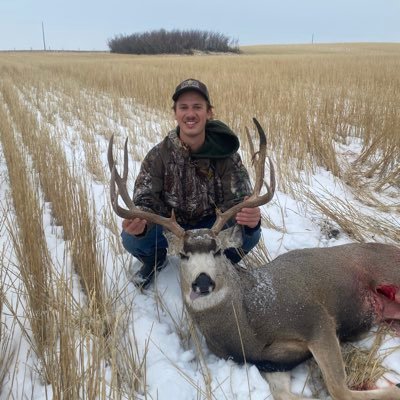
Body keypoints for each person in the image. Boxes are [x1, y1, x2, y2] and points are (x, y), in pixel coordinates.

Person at [121, 78, 262, 288]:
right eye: (183, 107)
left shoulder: (226, 156)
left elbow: (240, 198)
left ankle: (221, 264)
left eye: (197, 107)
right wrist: (140, 224)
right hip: (173, 231)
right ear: (175, 112)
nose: (190, 114)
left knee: (249, 233)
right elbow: (145, 199)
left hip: (211, 229)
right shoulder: (158, 156)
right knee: (131, 237)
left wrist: (250, 217)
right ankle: (155, 261)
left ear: (209, 112)